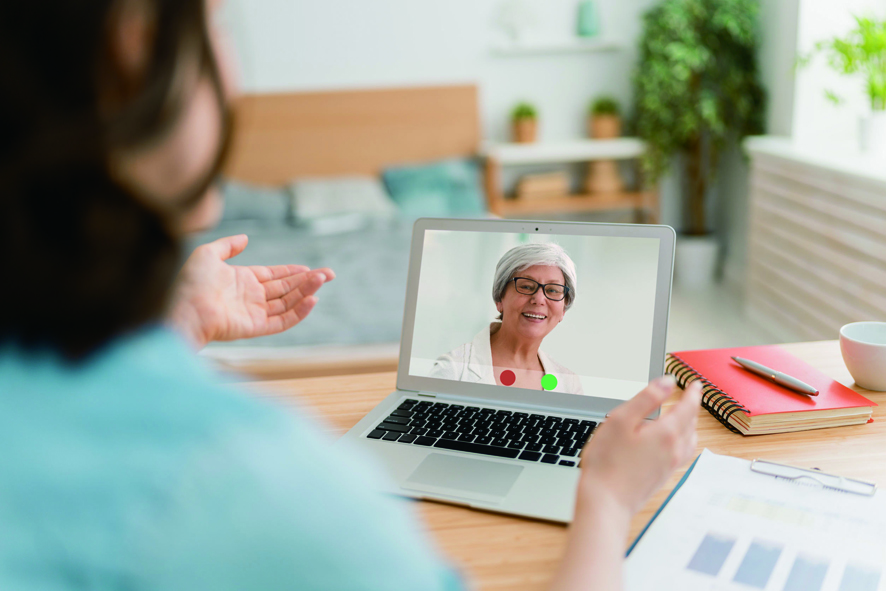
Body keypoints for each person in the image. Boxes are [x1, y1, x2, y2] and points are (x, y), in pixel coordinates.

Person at [0, 1, 701, 590]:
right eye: (217, 28)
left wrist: (172, 320)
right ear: (136, 48)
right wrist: (607, 500)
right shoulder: (267, 486)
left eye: (557, 292)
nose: (542, 299)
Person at [431, 243, 584, 393]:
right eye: (526, 287)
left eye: (552, 290)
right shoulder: (453, 369)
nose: (538, 299)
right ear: (500, 299)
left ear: (563, 309)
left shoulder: (569, 384)